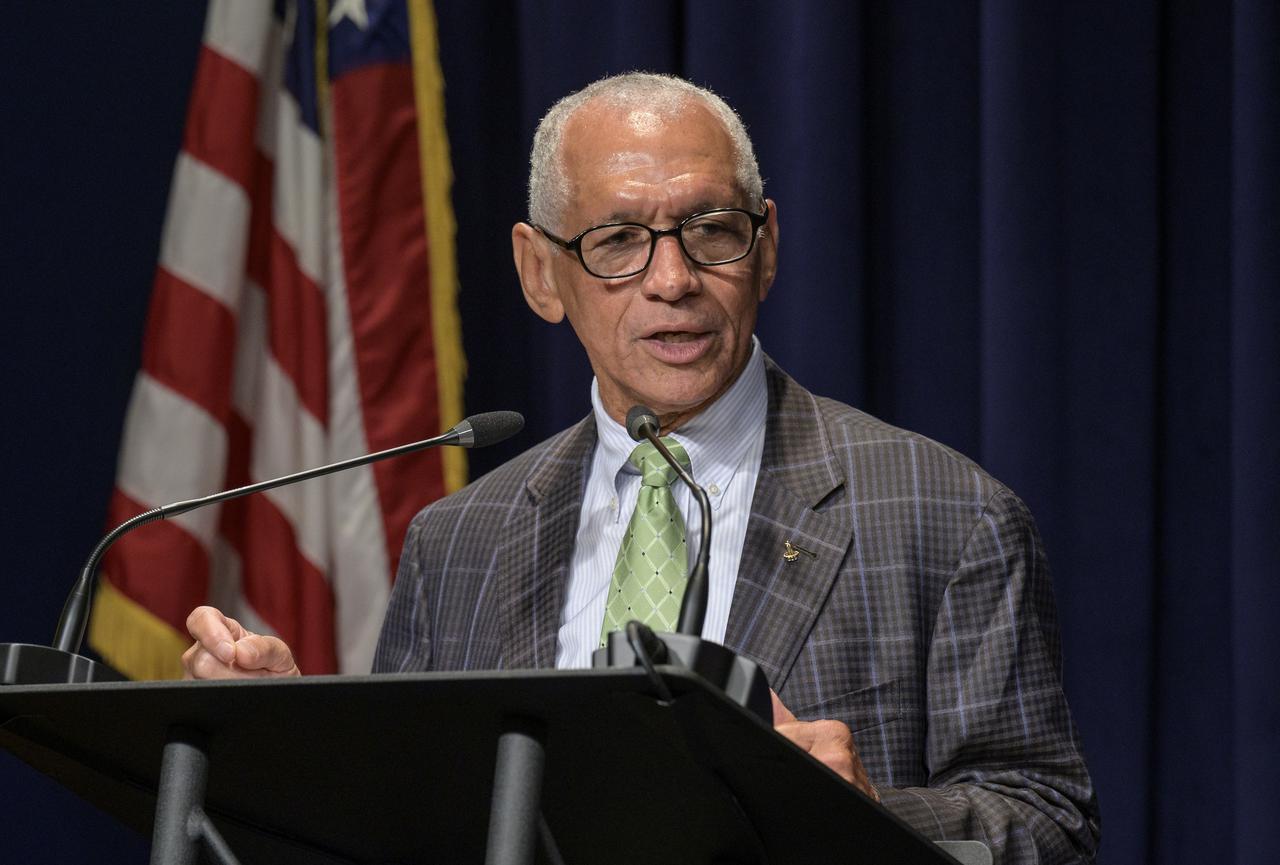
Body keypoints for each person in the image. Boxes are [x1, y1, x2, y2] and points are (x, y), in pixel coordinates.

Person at [184, 72, 1099, 863]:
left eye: (710, 228)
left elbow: (1050, 824)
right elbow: (410, 820)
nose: (672, 278)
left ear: (767, 244)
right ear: (541, 272)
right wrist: (296, 745)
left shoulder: (946, 514)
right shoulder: (459, 539)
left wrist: (870, 815)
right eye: (618, 241)